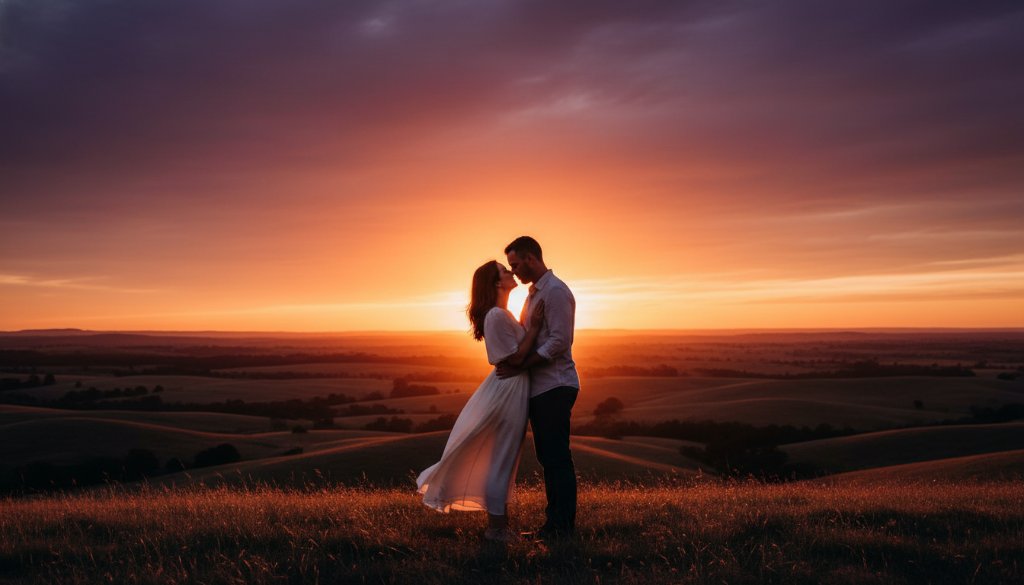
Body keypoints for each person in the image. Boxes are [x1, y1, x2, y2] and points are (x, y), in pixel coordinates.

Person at [416, 260, 546, 542]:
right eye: (504, 270)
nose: (511, 272)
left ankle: (499, 528)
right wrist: (534, 329)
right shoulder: (496, 316)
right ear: (496, 282)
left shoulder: (502, 313)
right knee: (501, 460)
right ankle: (496, 530)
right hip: (508, 391)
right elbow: (513, 358)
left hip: (512, 387)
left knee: (503, 459)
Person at [497, 236, 580, 539]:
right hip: (541, 388)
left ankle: (561, 526)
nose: (515, 271)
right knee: (549, 457)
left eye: (516, 265)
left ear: (531, 258)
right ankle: (555, 524)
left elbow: (560, 342)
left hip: (555, 385)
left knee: (556, 457)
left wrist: (523, 363)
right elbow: (529, 333)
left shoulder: (556, 292)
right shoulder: (534, 294)